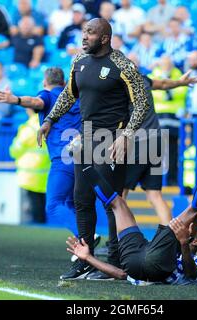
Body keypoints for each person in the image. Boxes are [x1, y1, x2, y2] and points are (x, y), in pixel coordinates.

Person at [38, 18, 150, 280]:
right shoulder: (79, 61)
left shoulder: (122, 65)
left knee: (111, 201)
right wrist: (49, 120)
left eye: (90, 32)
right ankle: (86, 259)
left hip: (111, 140)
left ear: (105, 38)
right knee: (82, 199)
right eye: (83, 32)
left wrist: (126, 135)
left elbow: (142, 103)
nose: (84, 37)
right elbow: (68, 94)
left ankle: (115, 260)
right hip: (85, 139)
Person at [66, 141, 197, 284]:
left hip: (156, 261)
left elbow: (190, 274)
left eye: (191, 228)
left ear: (195, 240)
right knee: (117, 203)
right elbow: (121, 274)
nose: (188, 225)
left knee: (194, 210)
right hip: (137, 257)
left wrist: (182, 244)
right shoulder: (165, 244)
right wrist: (88, 257)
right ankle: (82, 160)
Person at [0, 67, 80, 238]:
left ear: (44, 82)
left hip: (63, 158)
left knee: (54, 205)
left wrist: (15, 100)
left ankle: (86, 237)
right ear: (63, 83)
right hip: (85, 156)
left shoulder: (48, 95)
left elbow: (37, 102)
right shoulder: (75, 98)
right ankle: (100, 242)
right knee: (72, 202)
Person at [124, 53, 197, 226]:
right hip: (157, 140)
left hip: (138, 141)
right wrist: (181, 82)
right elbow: (163, 83)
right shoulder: (143, 79)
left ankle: (121, 240)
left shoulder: (121, 86)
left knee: (119, 195)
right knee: (155, 195)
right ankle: (171, 237)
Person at [149, 55, 188, 186]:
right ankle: (153, 180)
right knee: (155, 150)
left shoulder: (178, 74)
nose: (167, 66)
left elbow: (182, 91)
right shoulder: (153, 74)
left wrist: (165, 89)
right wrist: (169, 89)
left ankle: (171, 179)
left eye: (168, 63)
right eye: (164, 63)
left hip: (174, 119)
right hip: (157, 117)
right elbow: (152, 93)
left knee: (172, 150)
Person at [10, 108, 50, 223]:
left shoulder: (28, 128)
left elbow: (16, 149)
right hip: (44, 171)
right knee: (41, 203)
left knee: (34, 205)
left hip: (29, 172)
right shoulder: (49, 124)